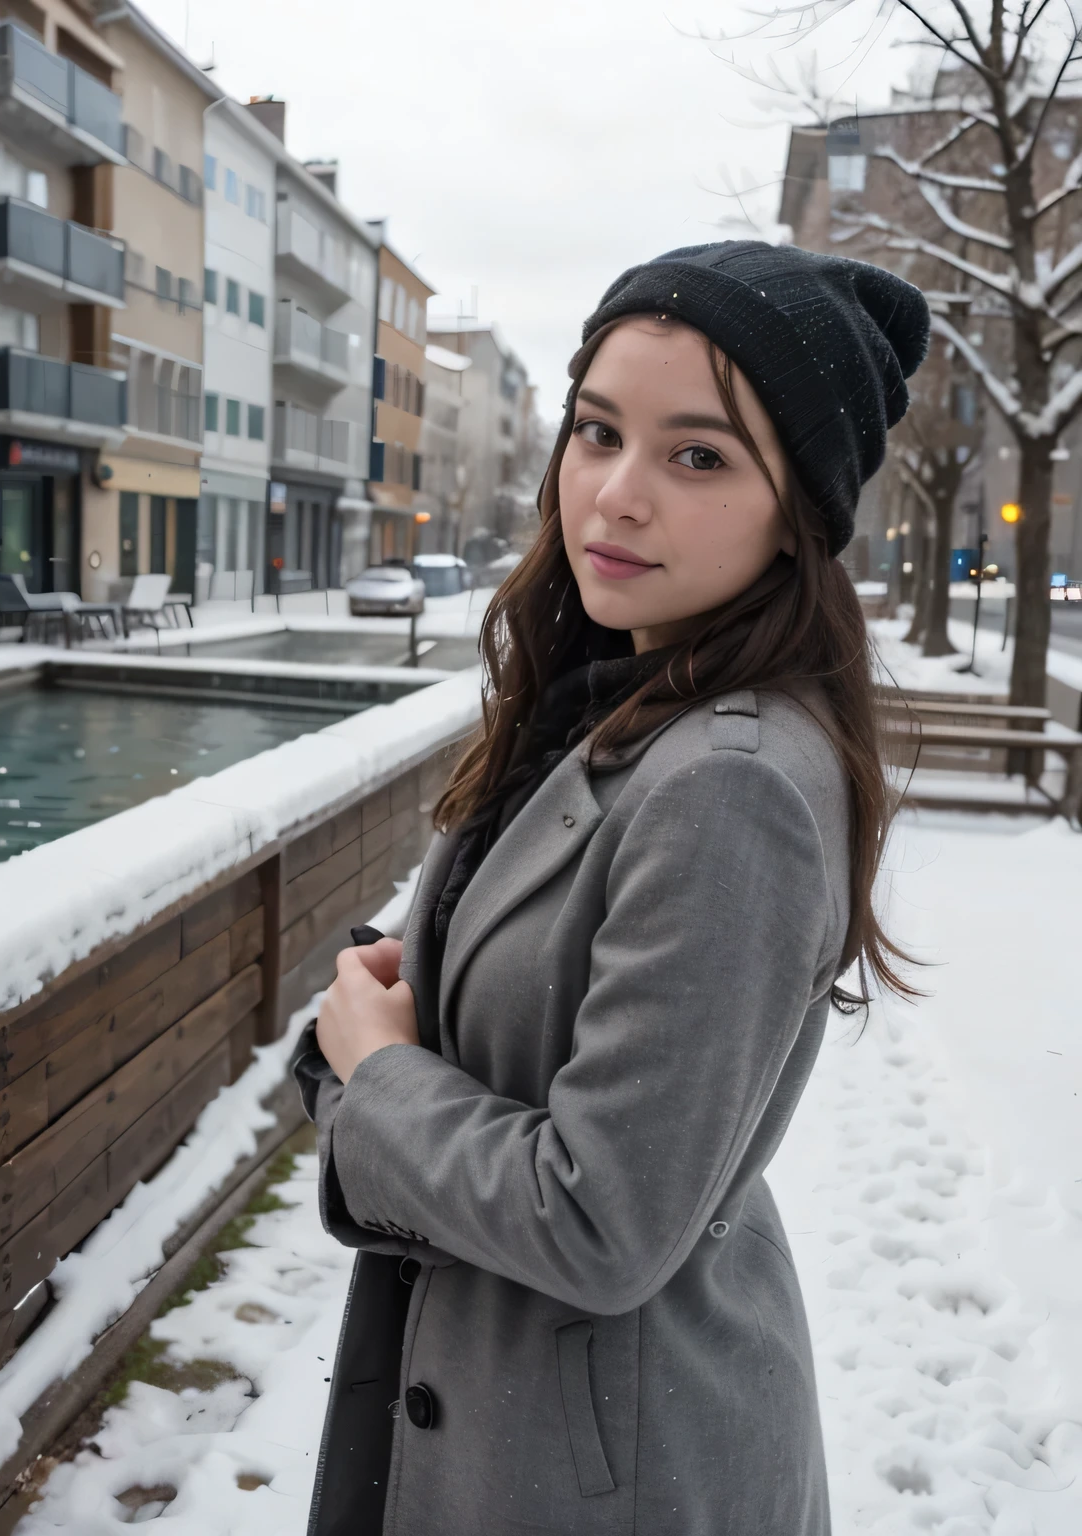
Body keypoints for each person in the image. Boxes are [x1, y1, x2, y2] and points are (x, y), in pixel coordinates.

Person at [294, 240, 930, 1535]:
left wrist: (377, 1072)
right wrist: (402, 995)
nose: (616, 495)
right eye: (597, 432)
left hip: (601, 1466)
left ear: (795, 510)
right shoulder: (606, 702)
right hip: (514, 1408)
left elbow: (604, 1221)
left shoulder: (730, 786)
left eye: (698, 455)